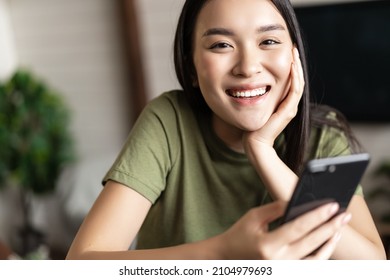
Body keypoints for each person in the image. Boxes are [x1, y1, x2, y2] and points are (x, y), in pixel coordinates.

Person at [66, 0, 385, 259]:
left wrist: (263, 151)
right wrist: (221, 252)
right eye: (221, 45)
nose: (247, 66)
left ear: (294, 56)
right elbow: (83, 261)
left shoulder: (323, 135)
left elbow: (371, 266)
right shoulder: (169, 121)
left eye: (269, 41)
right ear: (191, 67)